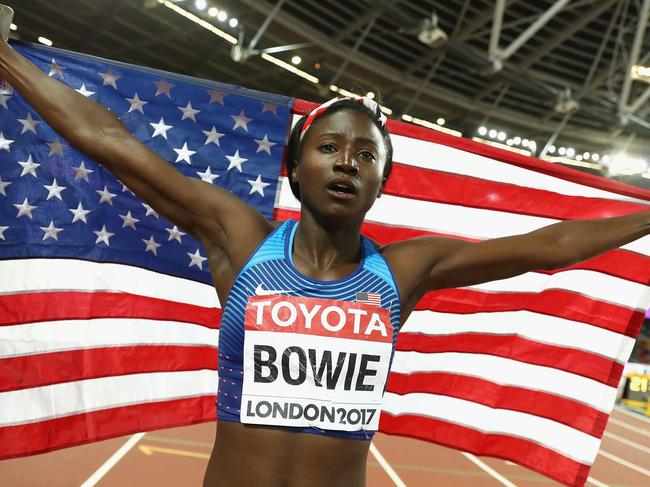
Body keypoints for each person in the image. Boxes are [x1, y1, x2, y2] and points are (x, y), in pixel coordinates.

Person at [2, 5, 650, 487]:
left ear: (380, 183)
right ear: (295, 167)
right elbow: (112, 142)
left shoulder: (403, 269)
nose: (347, 162)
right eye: (330, 147)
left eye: (365, 154)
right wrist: (6, 58)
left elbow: (549, 245)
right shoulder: (241, 239)